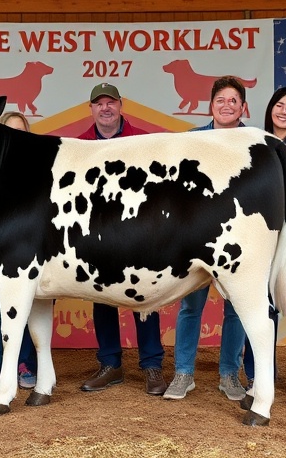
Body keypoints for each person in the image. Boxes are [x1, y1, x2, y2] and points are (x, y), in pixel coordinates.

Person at [163, 76, 258, 402]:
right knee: (190, 306)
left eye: (234, 101)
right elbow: (177, 191)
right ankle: (183, 373)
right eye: (222, 100)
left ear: (243, 107)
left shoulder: (253, 142)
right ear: (211, 106)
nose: (227, 105)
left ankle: (229, 374)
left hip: (239, 238)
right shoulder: (191, 141)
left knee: (236, 308)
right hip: (197, 238)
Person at [78, 82, 167, 395]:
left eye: (110, 103)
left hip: (140, 233)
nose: (105, 108)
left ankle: (152, 365)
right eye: (99, 103)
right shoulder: (79, 145)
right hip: (98, 236)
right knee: (102, 297)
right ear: (91, 109)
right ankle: (110, 364)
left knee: (145, 296)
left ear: (120, 105)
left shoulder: (144, 140)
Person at [0, 111, 38, 393]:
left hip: (31, 253)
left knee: (27, 309)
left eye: (20, 132)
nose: (15, 137)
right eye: (9, 131)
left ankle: (25, 365)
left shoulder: (40, 169)